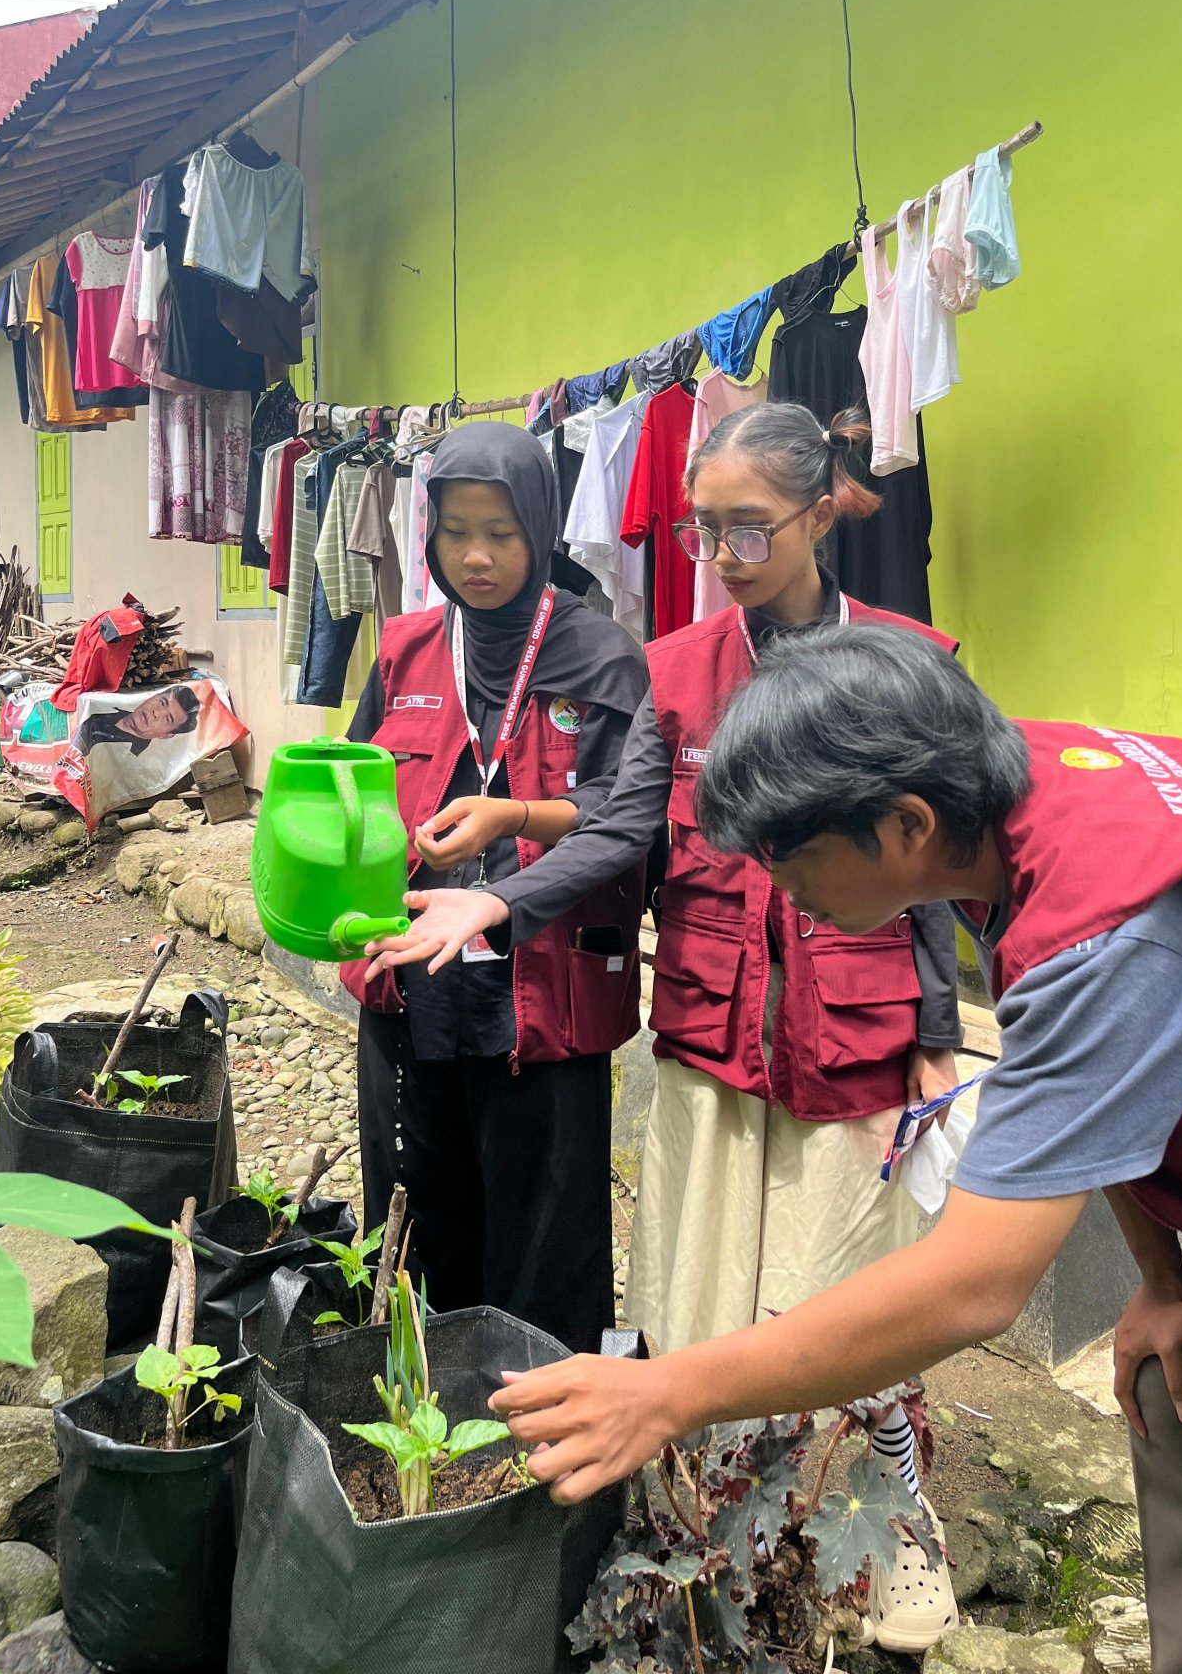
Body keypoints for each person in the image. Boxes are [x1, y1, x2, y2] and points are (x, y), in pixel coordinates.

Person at [478, 623, 1182, 1674]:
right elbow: (1111, 1081)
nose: (780, 889)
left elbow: (974, 1287)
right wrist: (1155, 1276)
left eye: (791, 856)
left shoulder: (1105, 918)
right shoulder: (1002, 792)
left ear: (905, 824)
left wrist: (668, 1393)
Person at [366, 404, 966, 1653]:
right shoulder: (677, 668)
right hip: (708, 1026)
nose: (729, 554)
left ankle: (881, 1533)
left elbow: (945, 856)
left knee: (837, 1296)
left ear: (823, 511)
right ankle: (718, 1534)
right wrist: (514, 853)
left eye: (751, 527)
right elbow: (626, 827)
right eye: (705, 530)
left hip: (856, 1039)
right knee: (696, 1302)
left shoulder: (912, 659)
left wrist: (938, 1023)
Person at [341, 423, 649, 1356]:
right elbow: (352, 789)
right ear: (427, 535)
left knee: (544, 1231)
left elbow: (628, 815)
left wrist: (512, 814)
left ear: (543, 531)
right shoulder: (402, 652)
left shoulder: (604, 659)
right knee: (417, 1212)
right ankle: (425, 1423)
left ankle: (542, 1440)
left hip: (540, 986)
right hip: (416, 980)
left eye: (503, 534)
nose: (477, 557)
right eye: (456, 532)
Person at [74, 684, 200, 754]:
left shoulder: (132, 756)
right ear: (151, 696)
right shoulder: (109, 703)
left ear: (166, 735)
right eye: (162, 703)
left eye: (167, 719)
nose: (156, 713)